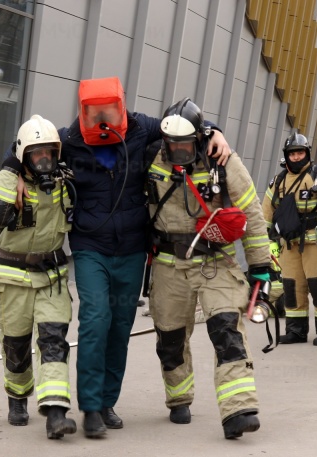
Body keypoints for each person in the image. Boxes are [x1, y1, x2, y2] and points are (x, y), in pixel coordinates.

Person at [50, 77, 231, 437]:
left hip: (132, 248)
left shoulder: (140, 128)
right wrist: (13, 169)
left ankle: (107, 402)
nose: (103, 118)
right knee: (95, 320)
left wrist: (214, 131)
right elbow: (25, 148)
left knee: (120, 327)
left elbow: (181, 125)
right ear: (83, 111)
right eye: (94, 112)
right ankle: (90, 408)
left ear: (121, 105)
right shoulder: (68, 139)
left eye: (109, 110)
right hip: (90, 247)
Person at [146, 98, 269, 439]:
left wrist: (260, 269)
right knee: (170, 338)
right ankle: (179, 398)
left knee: (227, 330)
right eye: (173, 144)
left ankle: (238, 409)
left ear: (199, 138)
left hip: (216, 262)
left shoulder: (223, 161)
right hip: (168, 263)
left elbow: (252, 215)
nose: (178, 150)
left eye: (185, 144)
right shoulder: (150, 157)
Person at [0, 114, 77, 439]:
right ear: (23, 154)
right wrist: (11, 171)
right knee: (16, 347)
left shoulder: (65, 182)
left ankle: (56, 413)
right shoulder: (1, 181)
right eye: (37, 154)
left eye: (50, 153)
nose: (44, 160)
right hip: (12, 281)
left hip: (51, 279)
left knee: (54, 342)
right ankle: (17, 397)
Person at [261, 132, 317, 345]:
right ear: (286, 155)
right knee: (291, 285)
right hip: (289, 244)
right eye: (292, 153)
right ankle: (296, 330)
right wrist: (264, 242)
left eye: (300, 153)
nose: (296, 157)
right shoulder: (278, 181)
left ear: (307, 153)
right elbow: (266, 212)